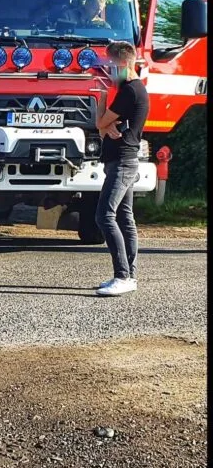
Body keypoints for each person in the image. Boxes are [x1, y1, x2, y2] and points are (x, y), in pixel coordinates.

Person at [94, 41, 149, 297]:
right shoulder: (132, 89)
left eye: (111, 65)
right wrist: (106, 126)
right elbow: (105, 125)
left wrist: (103, 97)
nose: (109, 71)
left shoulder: (130, 91)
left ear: (124, 63)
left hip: (123, 162)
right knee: (125, 218)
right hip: (123, 161)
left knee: (104, 215)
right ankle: (129, 275)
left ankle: (123, 275)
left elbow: (100, 121)